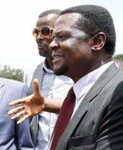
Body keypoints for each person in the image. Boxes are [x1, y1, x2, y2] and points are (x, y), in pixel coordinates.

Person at [9, 5, 123, 149]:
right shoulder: (78, 95)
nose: (52, 44)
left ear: (97, 42)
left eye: (62, 37)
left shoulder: (117, 94)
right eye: (53, 37)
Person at [28, 9, 73, 150]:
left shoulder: (77, 71)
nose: (39, 37)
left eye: (45, 31)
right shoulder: (31, 74)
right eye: (36, 32)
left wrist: (47, 105)